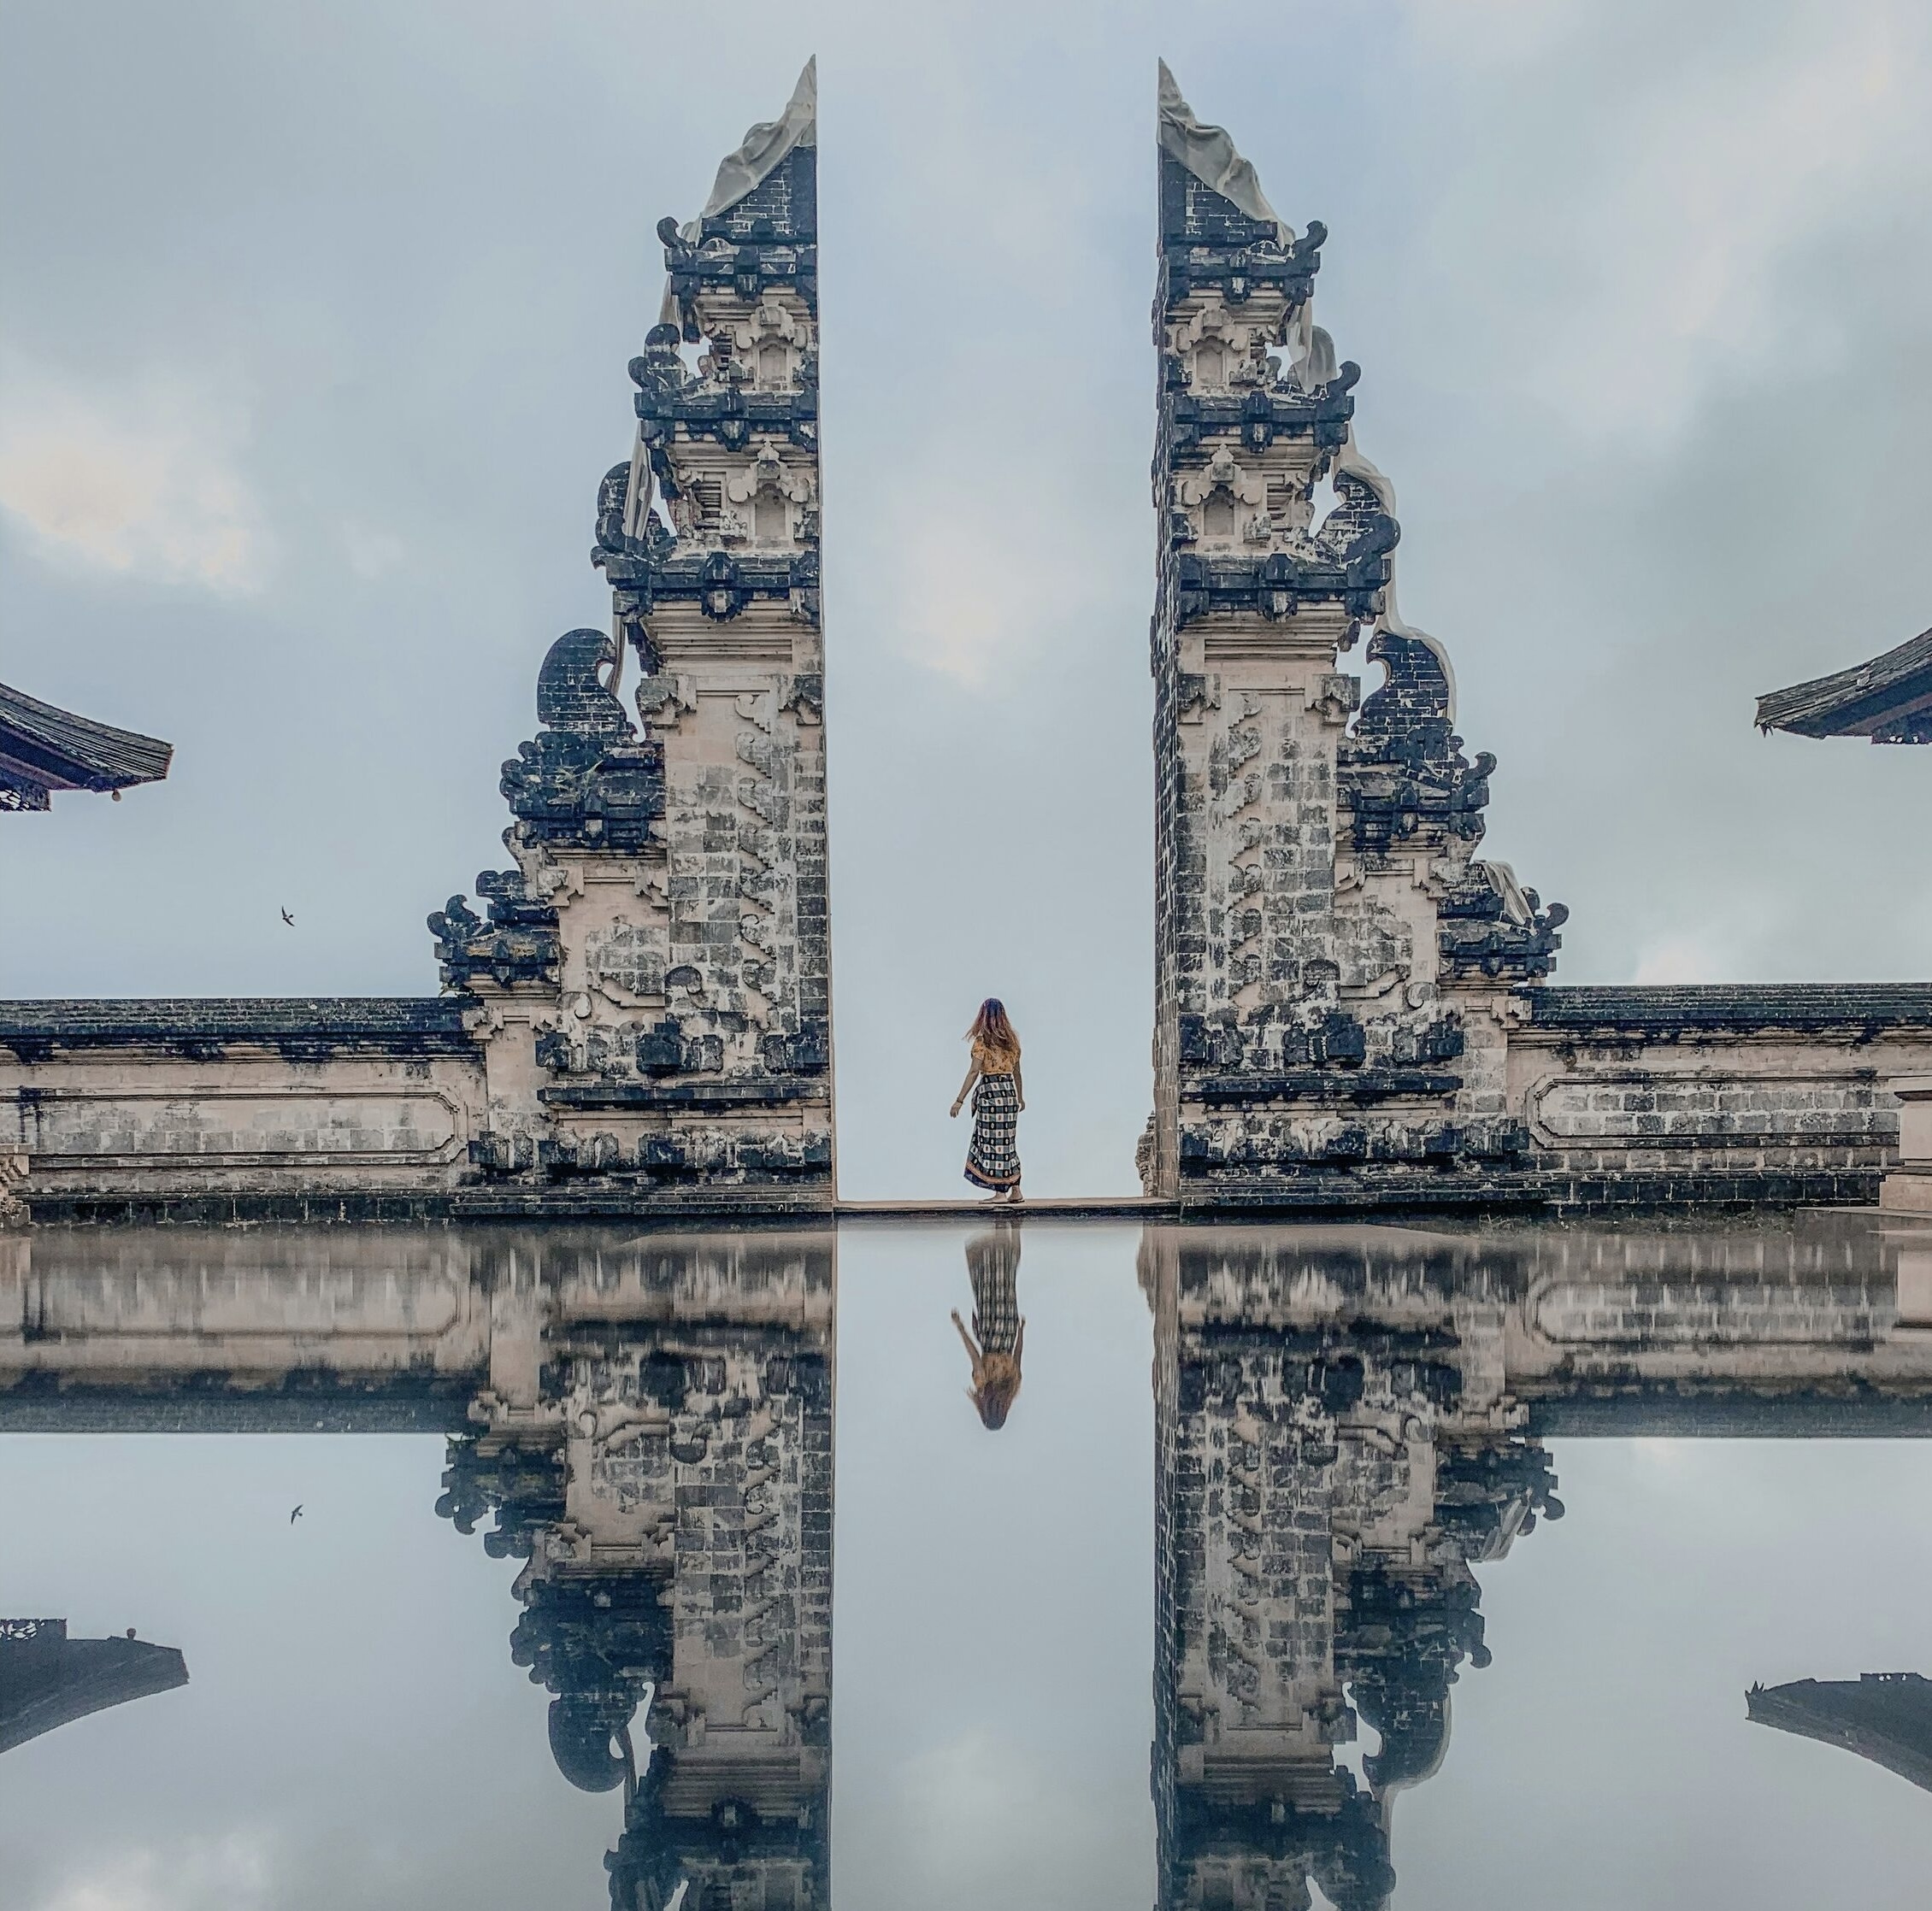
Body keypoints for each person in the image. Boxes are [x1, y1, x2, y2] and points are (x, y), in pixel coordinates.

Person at [951, 1222, 1024, 1430]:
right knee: (990, 1284)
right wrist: (961, 1327)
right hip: (990, 1333)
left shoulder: (1012, 1386)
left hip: (1008, 1332)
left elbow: (1018, 1355)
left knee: (1006, 1284)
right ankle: (1000, 1236)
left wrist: (1021, 1331)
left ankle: (1009, 1236)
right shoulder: (984, 1385)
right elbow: (974, 1356)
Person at [951, 997, 1023, 1201]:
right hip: (1008, 1093)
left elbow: (974, 1071)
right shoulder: (1012, 1041)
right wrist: (1020, 1097)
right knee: (1008, 1142)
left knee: (993, 1142)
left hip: (991, 1093)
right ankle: (1016, 1190)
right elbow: (1017, 1072)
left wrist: (960, 1099)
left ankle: (1000, 1192)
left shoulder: (983, 1041)